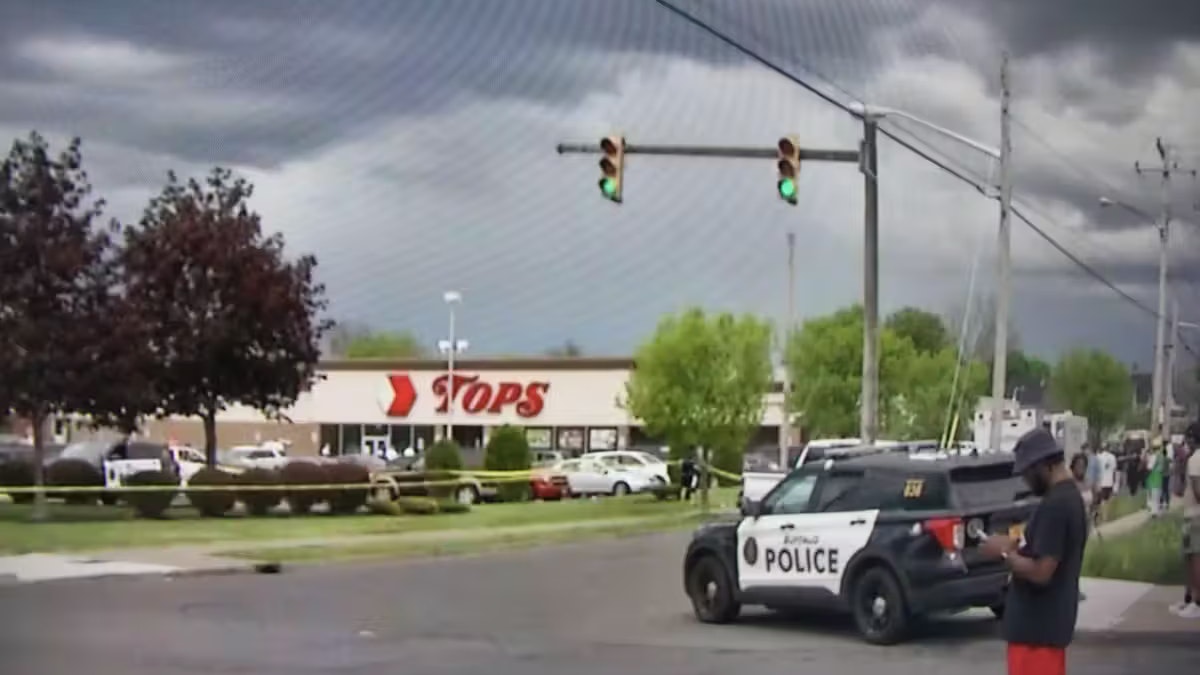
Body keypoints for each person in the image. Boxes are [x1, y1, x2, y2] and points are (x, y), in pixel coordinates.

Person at [981, 427, 1087, 675]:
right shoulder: (1069, 498)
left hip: (1037, 637)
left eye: (1027, 472)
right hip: (1045, 631)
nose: (1025, 480)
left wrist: (1004, 554)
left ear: (1044, 465)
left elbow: (1042, 572)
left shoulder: (1056, 505)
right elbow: (1044, 551)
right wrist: (1013, 545)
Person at [1170, 440, 1200, 618]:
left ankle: (1196, 602)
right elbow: (1180, 490)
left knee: (1195, 560)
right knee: (1190, 558)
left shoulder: (1196, 459)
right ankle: (1189, 598)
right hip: (1192, 515)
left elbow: (1198, 490)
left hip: (1195, 517)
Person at [1095, 444, 1117, 522]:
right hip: (1109, 481)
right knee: (1108, 499)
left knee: (1102, 500)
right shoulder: (1113, 457)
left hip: (1101, 481)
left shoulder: (1099, 457)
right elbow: (1114, 470)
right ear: (1109, 448)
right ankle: (1106, 516)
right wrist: (1114, 481)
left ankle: (1102, 516)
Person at [1145, 441, 1165, 516]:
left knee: (1153, 496)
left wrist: (1146, 475)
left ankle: (1153, 512)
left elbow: (1149, 468)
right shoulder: (1161, 456)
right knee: (1157, 496)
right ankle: (1157, 511)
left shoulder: (1154, 456)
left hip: (1152, 478)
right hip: (1159, 477)